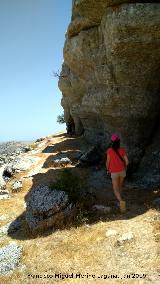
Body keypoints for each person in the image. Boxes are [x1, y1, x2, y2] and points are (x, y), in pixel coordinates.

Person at [106, 133, 129, 212]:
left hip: (114, 173)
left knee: (115, 189)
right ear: (119, 141)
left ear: (111, 142)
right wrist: (125, 168)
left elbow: (108, 162)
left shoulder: (109, 151)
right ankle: (119, 200)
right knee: (120, 186)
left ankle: (121, 202)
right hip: (122, 172)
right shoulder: (122, 150)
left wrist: (107, 170)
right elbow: (127, 162)